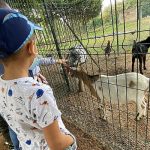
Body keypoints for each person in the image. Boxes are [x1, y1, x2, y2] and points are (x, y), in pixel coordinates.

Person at [0, 8, 77, 149]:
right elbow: (57, 144)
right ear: (31, 48)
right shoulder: (39, 93)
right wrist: (71, 139)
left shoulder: (1, 86)